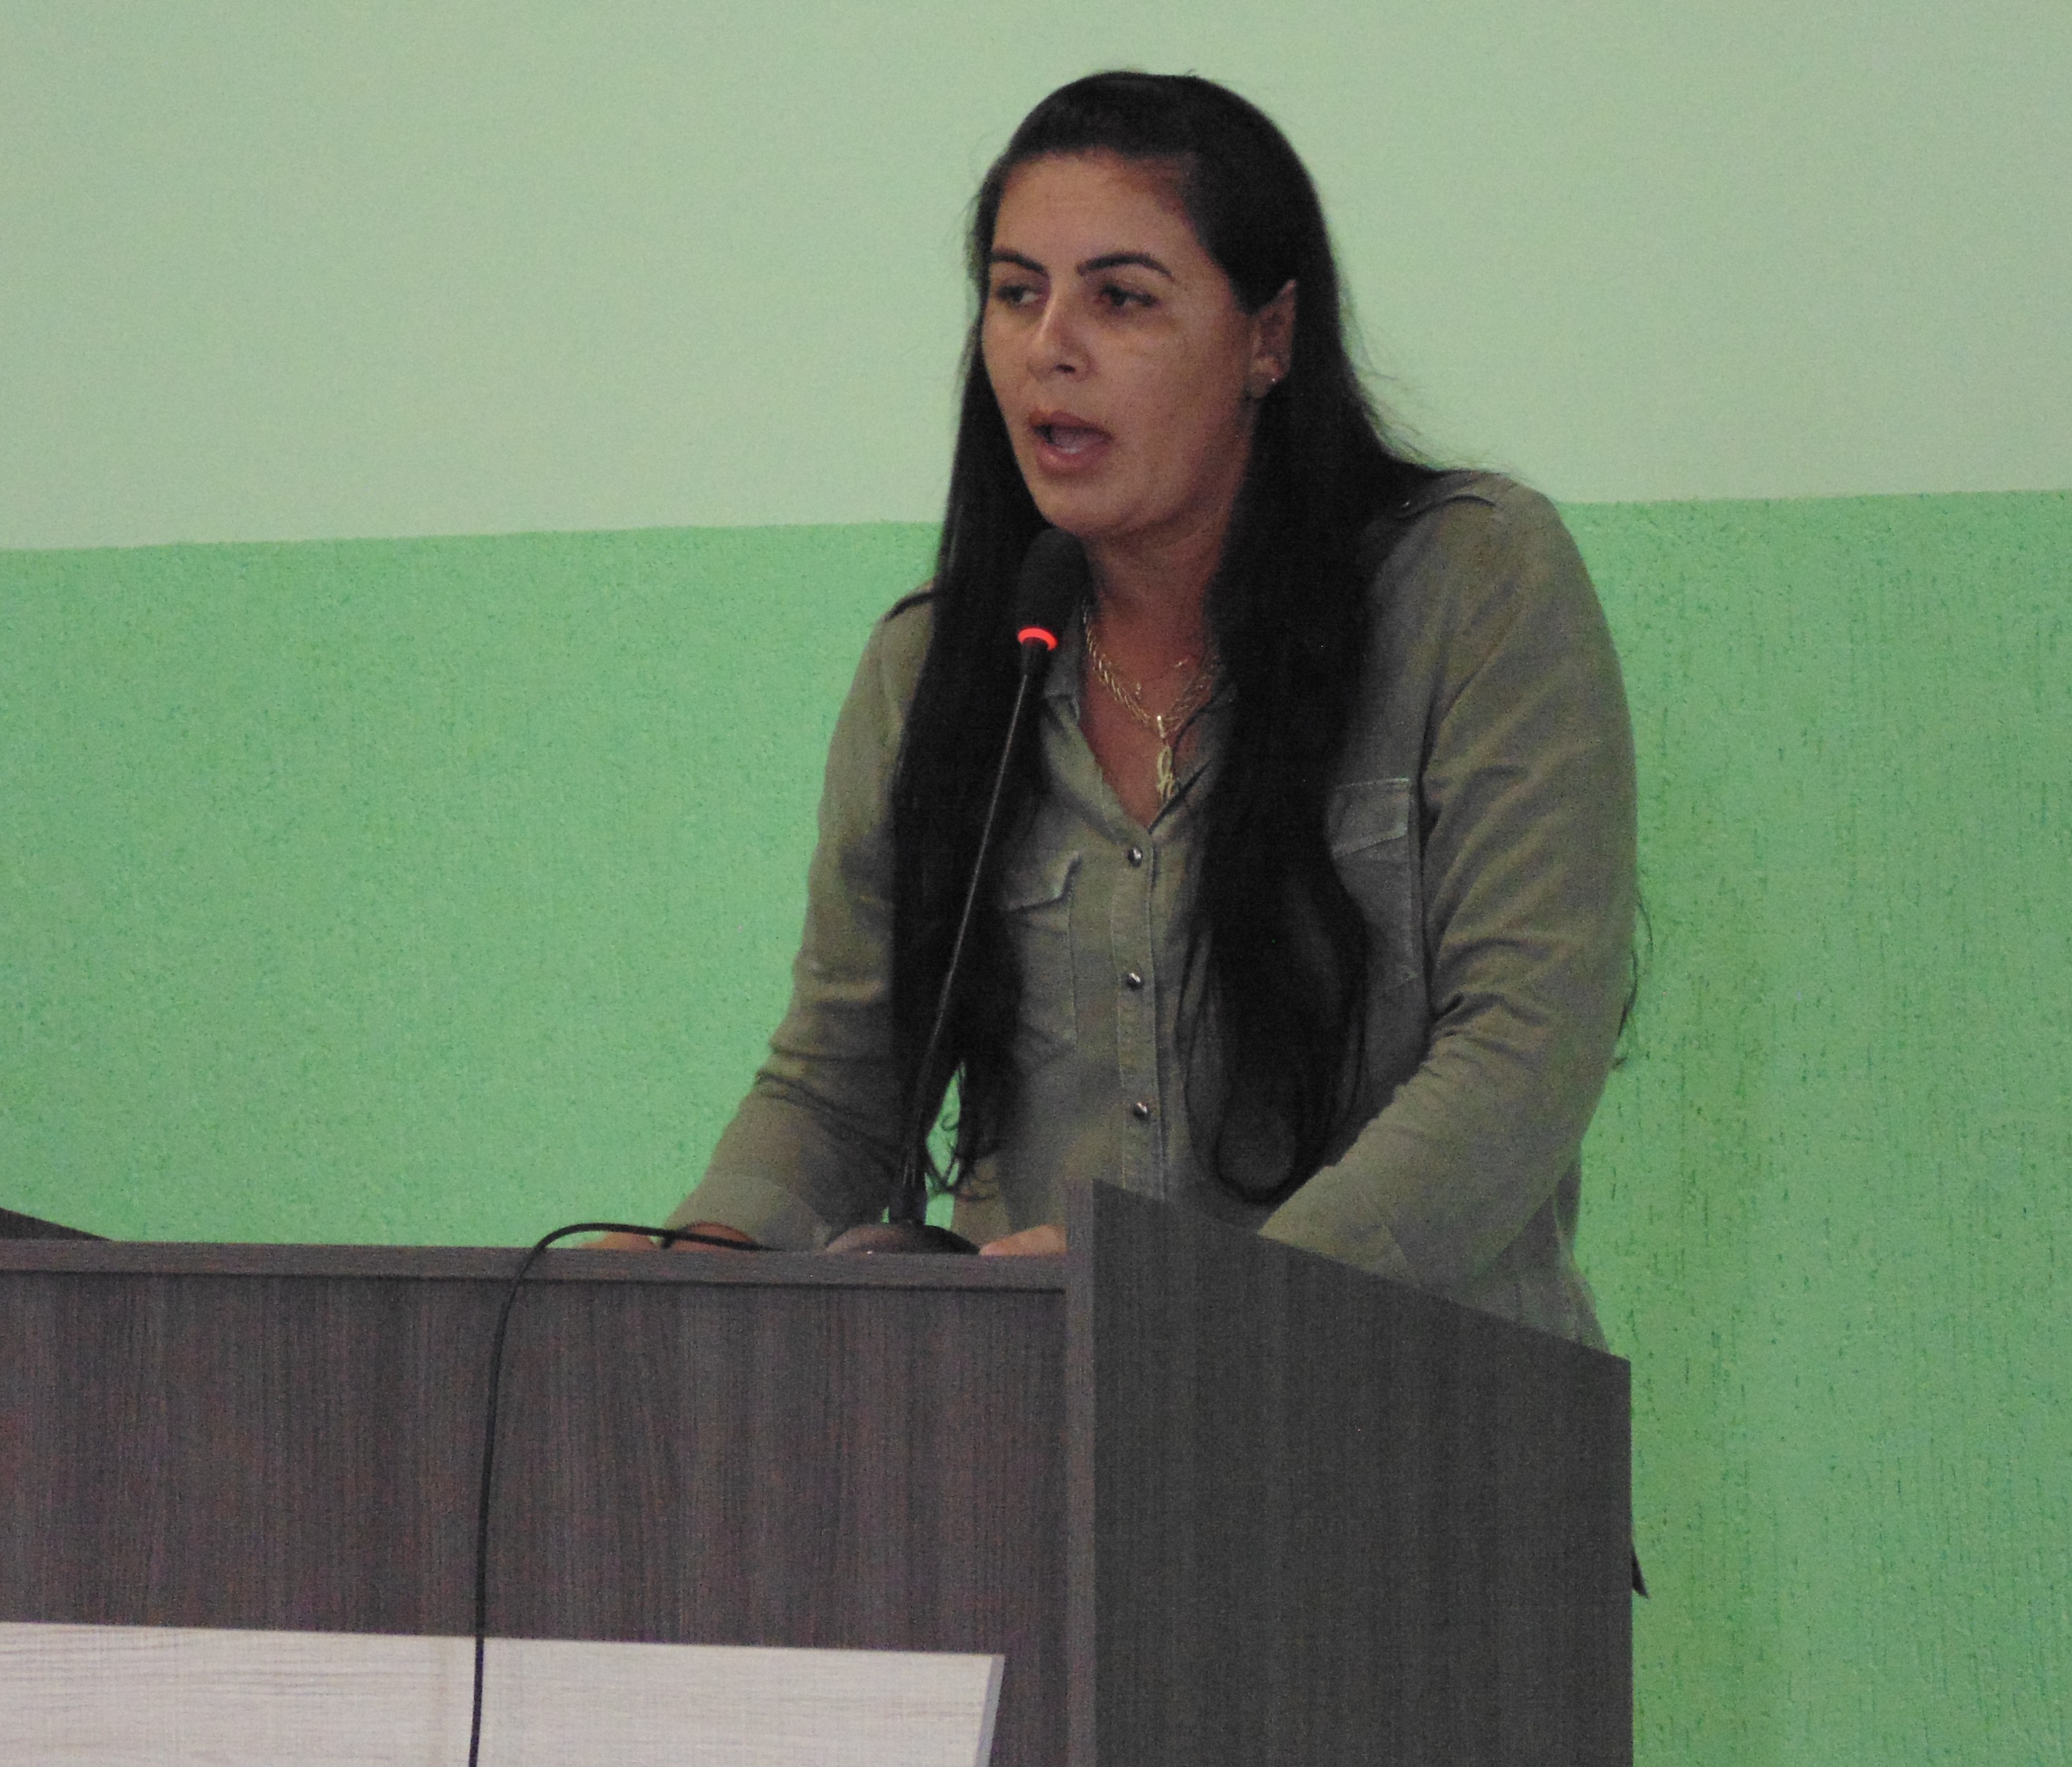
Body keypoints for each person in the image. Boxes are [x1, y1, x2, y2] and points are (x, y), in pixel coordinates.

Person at [628, 70, 1633, 1348]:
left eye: (1120, 298)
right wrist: (686, 1269)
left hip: (1420, 1415)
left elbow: (1525, 1050)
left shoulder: (1469, 585)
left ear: (1268, 339)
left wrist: (1206, 1302)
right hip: (1050, 1426)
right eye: (1015, 293)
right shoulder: (936, 668)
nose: (1050, 346)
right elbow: (842, 1084)